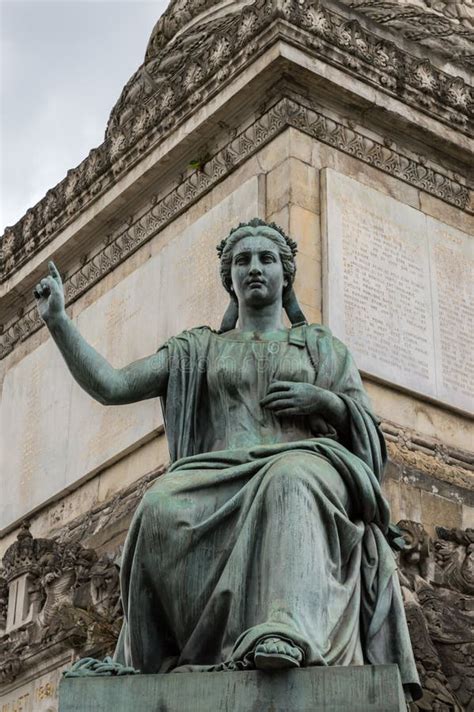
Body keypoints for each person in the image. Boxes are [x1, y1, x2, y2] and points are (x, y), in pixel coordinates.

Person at [34, 218, 421, 699]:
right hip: (215, 474)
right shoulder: (199, 349)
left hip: (309, 464)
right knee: (158, 505)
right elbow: (113, 386)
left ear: (286, 274)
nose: (254, 268)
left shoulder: (322, 348)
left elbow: (368, 436)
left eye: (266, 259)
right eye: (242, 260)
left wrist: (326, 403)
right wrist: (58, 321)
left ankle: (285, 626)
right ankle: (152, 656)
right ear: (229, 279)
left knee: (289, 478)